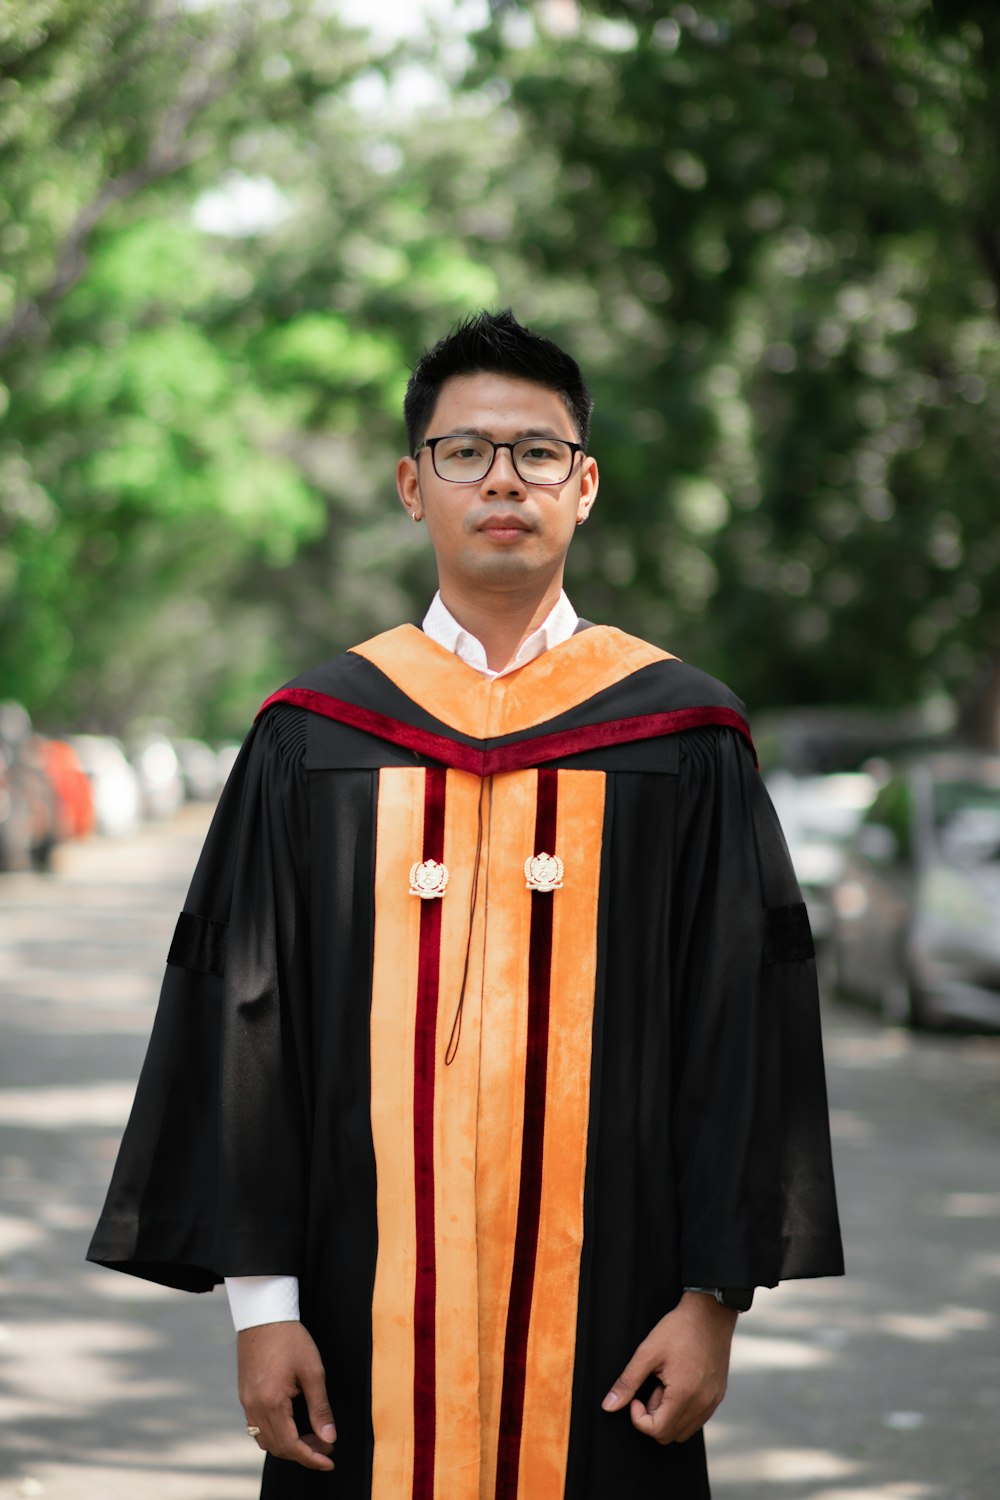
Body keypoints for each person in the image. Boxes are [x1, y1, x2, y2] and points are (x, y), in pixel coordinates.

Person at [88, 308, 844, 1499]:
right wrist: (262, 1311)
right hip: (355, 1321)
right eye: (465, 451)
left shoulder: (681, 738)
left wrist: (712, 1302)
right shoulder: (317, 737)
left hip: (614, 1318)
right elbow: (244, 1021)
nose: (503, 479)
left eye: (538, 452)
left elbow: (736, 1034)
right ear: (411, 484)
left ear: (584, 486)